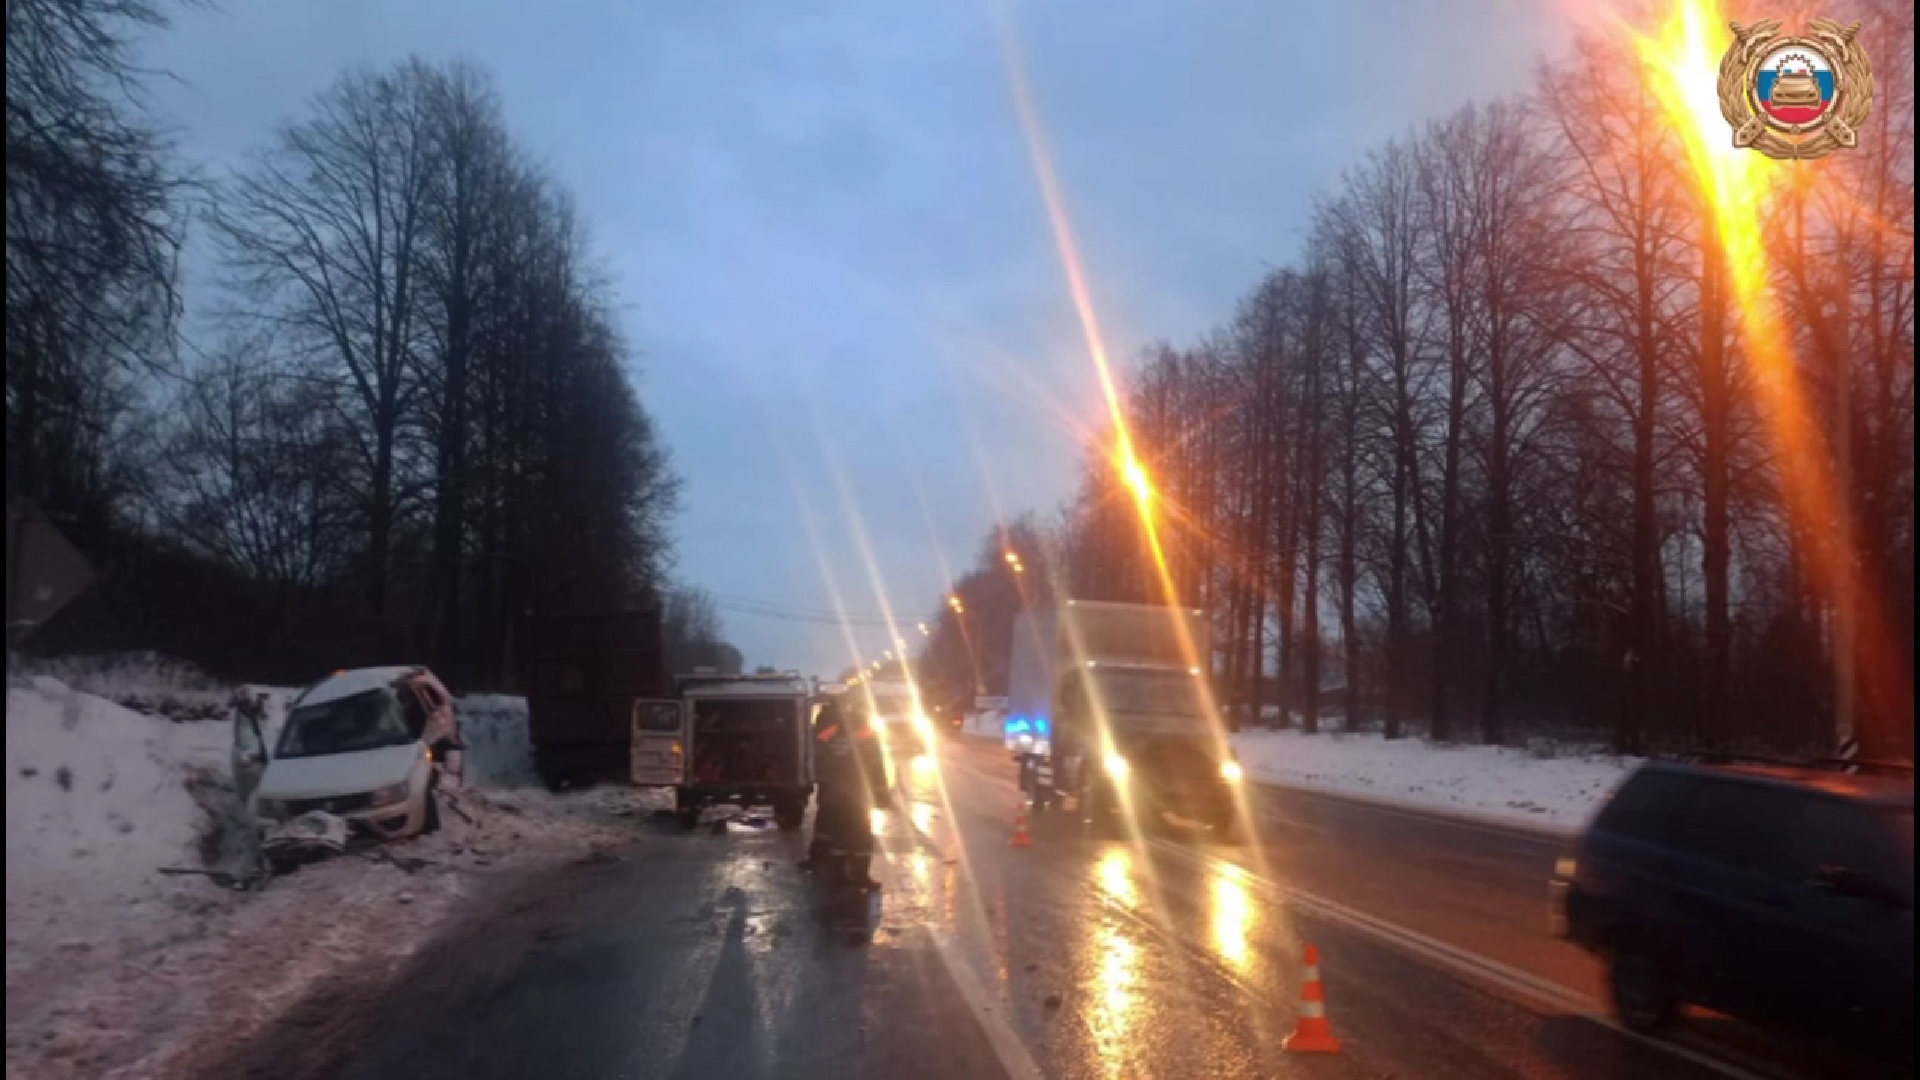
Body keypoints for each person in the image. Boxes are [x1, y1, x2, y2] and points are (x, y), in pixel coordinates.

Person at [802, 702, 880, 889]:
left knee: (839, 832)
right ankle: (853, 874)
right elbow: (875, 762)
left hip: (839, 791)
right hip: (853, 792)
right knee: (856, 833)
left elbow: (817, 749)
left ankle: (839, 872)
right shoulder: (863, 732)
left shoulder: (831, 732)